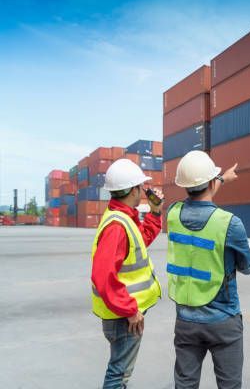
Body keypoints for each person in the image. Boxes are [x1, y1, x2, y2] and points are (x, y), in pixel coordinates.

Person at [166, 150, 250, 389]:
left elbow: (198, 202)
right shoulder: (230, 224)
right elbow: (248, 267)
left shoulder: (172, 214)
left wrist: (222, 179)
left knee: (184, 385)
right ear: (211, 181)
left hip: (185, 319)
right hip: (223, 320)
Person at [90, 158, 164, 389]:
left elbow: (140, 240)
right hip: (123, 318)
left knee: (120, 372)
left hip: (121, 314)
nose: (144, 191)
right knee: (118, 375)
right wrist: (130, 310)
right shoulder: (117, 226)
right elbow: (103, 277)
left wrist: (155, 212)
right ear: (133, 189)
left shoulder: (123, 217)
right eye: (141, 187)